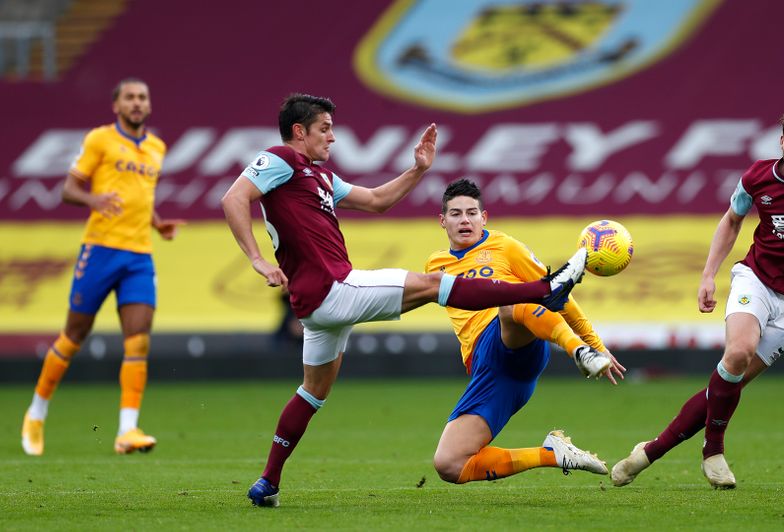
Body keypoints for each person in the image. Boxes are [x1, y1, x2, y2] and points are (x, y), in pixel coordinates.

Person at [220, 94, 589, 507]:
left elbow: (376, 201)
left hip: (317, 310)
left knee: (312, 392)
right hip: (333, 288)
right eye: (325, 129)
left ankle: (268, 481)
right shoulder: (280, 159)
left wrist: (418, 169)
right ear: (299, 131)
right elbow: (234, 198)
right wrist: (256, 259)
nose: (333, 137)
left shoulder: (320, 179)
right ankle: (544, 289)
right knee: (436, 284)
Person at [610, 105, 784, 489]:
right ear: (780, 140)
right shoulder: (757, 176)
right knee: (737, 353)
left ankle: (649, 451)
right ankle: (712, 451)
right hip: (757, 280)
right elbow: (732, 220)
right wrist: (708, 274)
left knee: (727, 383)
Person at [21, 78, 185, 456]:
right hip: (100, 251)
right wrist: (93, 198)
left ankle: (127, 430)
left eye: (142, 97)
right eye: (129, 97)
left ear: (149, 104)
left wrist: (158, 223)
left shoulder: (157, 147)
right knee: (73, 335)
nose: (137, 103)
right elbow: (69, 189)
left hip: (139, 255)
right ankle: (36, 411)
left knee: (139, 338)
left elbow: (140, 197)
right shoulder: (100, 139)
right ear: (116, 105)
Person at [428, 178, 625, 485]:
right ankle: (552, 453)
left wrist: (593, 344)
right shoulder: (434, 265)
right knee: (449, 464)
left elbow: (557, 295)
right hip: (491, 371)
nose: (464, 220)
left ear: (484, 218)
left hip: (514, 339)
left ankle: (578, 352)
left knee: (510, 300)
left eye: (471, 212)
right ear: (442, 221)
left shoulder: (506, 247)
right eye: (455, 214)